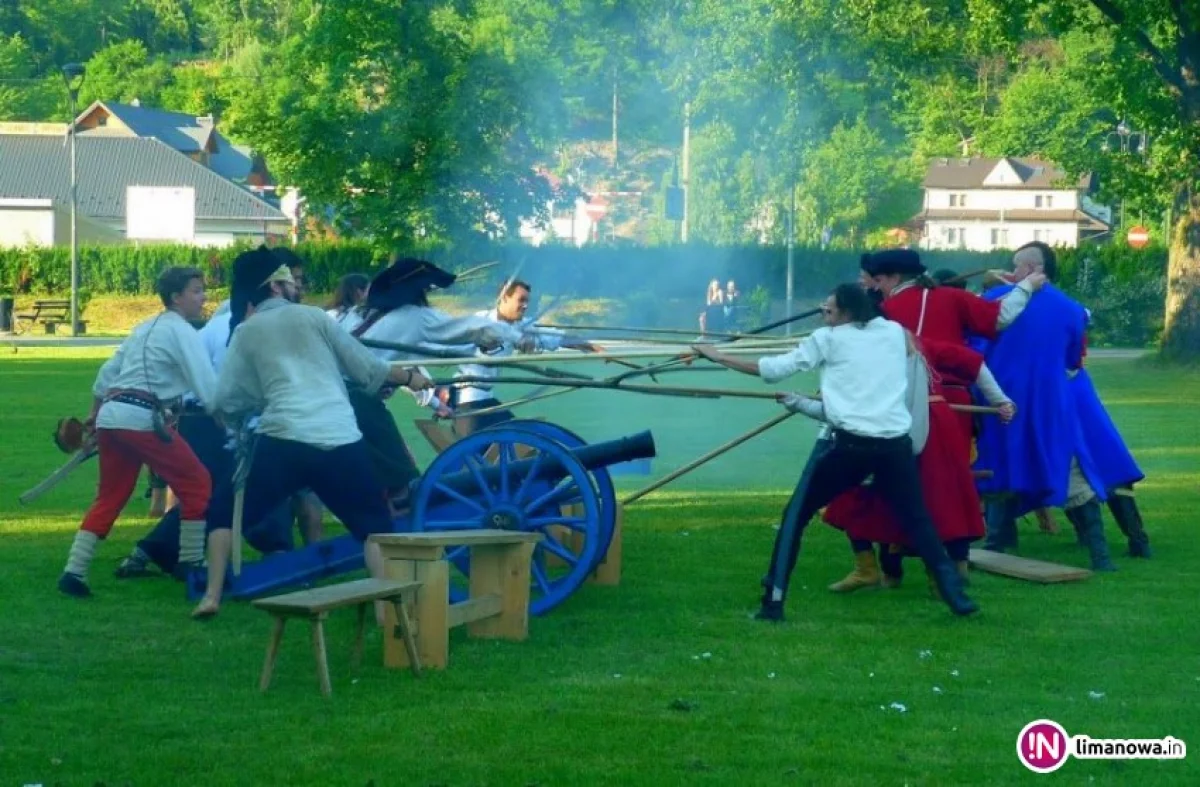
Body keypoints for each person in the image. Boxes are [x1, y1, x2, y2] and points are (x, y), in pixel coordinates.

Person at [691, 284, 978, 621]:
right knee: (918, 521)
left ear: (846, 313)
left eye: (828, 311)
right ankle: (955, 595)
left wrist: (718, 356)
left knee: (795, 515)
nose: (823, 317)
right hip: (895, 445)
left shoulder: (828, 339)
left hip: (852, 446)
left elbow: (771, 370)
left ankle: (773, 602)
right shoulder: (895, 333)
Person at [192, 247, 433, 619]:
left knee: (223, 510)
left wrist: (256, 402)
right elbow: (367, 368)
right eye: (289, 281)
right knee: (374, 529)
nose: (295, 287)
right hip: (338, 437)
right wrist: (411, 378)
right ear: (274, 286)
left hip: (283, 440)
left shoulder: (247, 330)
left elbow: (227, 399)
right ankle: (389, 614)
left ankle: (211, 596)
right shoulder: (315, 318)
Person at [58, 267, 217, 598]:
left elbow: (106, 375)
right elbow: (205, 382)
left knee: (110, 496)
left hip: (113, 417)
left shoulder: (142, 328)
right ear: (177, 297)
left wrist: (94, 414)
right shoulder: (183, 331)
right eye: (197, 291)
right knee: (198, 482)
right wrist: (225, 412)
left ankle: (74, 572)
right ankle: (190, 562)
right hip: (144, 419)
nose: (203, 297)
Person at [821, 335, 1015, 592]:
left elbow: (972, 362)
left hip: (929, 427)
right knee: (856, 495)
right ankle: (870, 569)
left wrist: (1000, 399)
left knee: (937, 501)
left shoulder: (919, 343)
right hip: (885, 424)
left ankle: (942, 574)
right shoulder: (864, 349)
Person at [972, 241, 1118, 571]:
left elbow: (975, 347)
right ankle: (1100, 555)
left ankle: (998, 542)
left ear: (1034, 269)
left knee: (1000, 464)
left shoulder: (994, 301)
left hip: (1003, 400)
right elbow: (1071, 359)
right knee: (1066, 466)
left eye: (1017, 266)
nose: (1012, 272)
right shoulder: (1071, 309)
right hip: (1052, 401)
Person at [338, 256, 526, 509]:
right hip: (358, 400)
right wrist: (514, 335)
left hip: (334, 393)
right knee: (403, 477)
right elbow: (466, 327)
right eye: (426, 289)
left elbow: (433, 345)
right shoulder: (415, 317)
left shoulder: (359, 313)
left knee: (381, 471)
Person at [861, 249, 1044, 440]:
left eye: (879, 281)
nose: (876, 288)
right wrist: (1026, 287)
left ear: (895, 278)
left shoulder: (880, 314)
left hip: (898, 406)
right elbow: (1001, 316)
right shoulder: (952, 296)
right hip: (950, 404)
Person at [451, 279, 599, 436]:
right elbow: (445, 344)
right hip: (467, 403)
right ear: (504, 298)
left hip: (487, 400)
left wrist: (595, 348)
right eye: (521, 300)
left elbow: (557, 338)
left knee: (525, 438)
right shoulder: (480, 322)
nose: (525, 306)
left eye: (527, 301)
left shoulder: (521, 325)